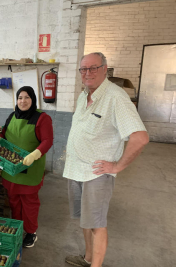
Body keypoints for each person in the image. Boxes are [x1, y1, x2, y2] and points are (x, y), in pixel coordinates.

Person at [63, 52, 149, 267]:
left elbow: (140, 138)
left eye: (93, 68)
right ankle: (88, 259)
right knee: (85, 220)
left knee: (97, 224)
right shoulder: (84, 94)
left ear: (105, 69)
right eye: (83, 69)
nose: (87, 73)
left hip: (96, 174)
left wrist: (118, 166)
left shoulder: (115, 97)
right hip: (76, 169)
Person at [0, 86, 53, 248]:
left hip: (30, 169)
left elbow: (47, 141)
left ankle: (31, 232)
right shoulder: (12, 116)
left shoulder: (42, 118)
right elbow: (5, 134)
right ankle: (17, 228)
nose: (23, 101)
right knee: (13, 200)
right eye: (20, 98)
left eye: (26, 98)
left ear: (33, 99)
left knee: (29, 202)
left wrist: (34, 155)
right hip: (11, 168)